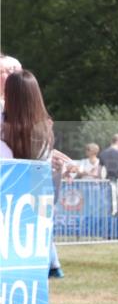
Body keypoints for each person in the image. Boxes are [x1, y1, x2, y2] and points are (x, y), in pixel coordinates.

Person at [1, 70, 72, 277]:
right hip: (38, 186)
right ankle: (51, 266)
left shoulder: (5, 126)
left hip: (11, 187)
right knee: (37, 230)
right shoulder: (45, 126)